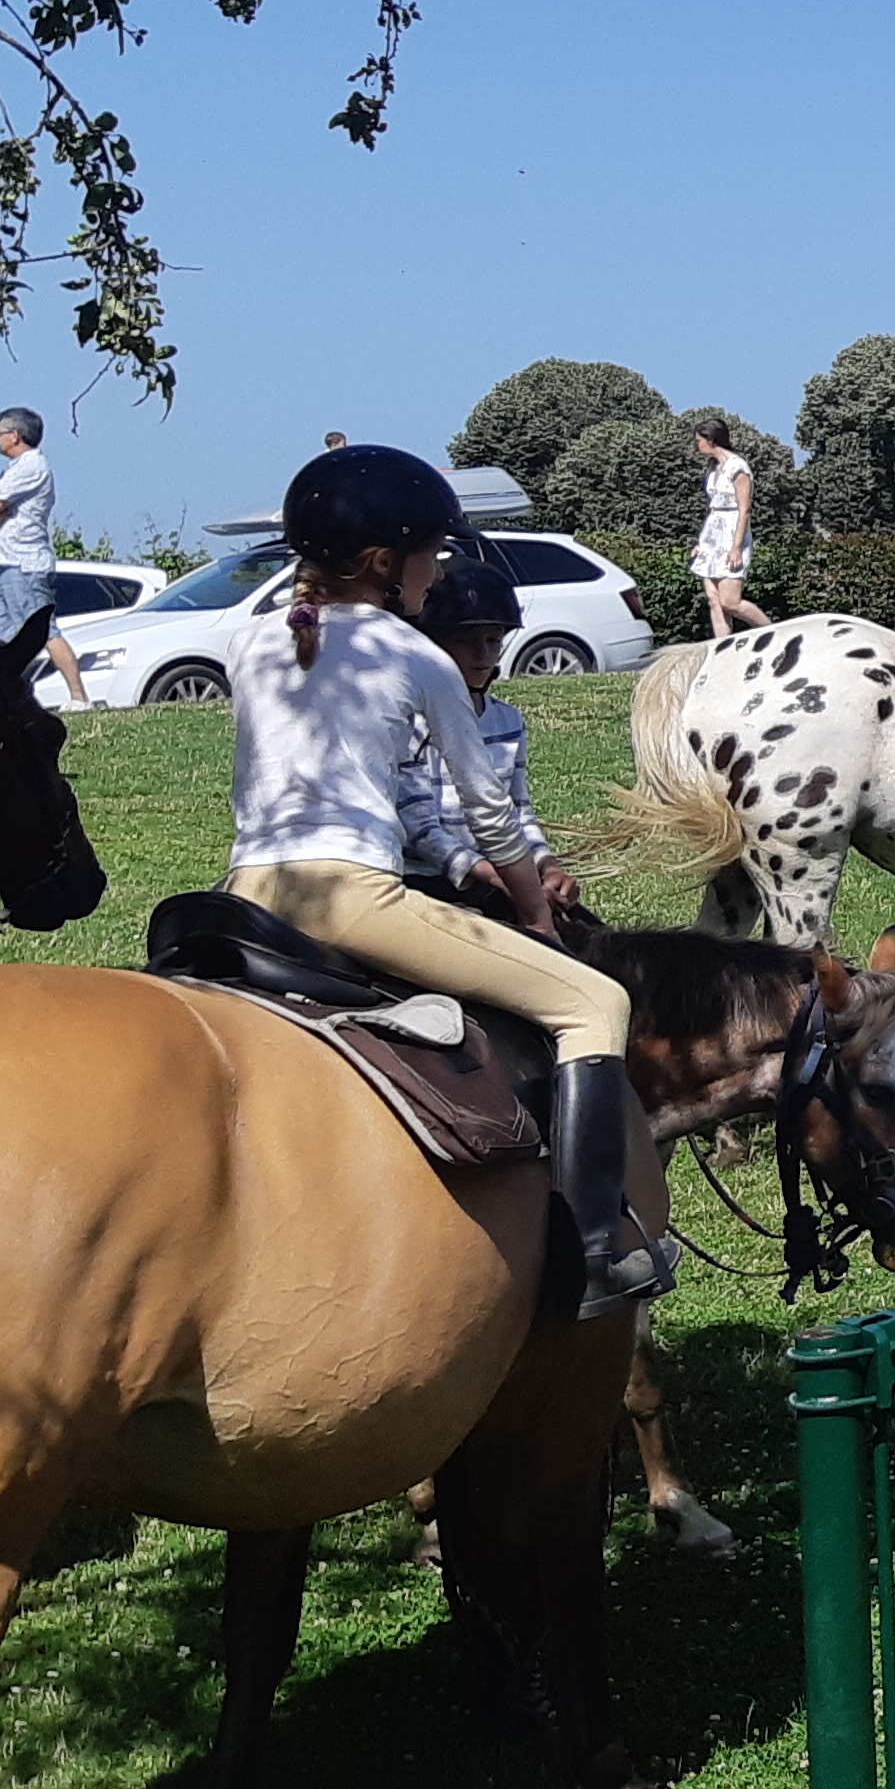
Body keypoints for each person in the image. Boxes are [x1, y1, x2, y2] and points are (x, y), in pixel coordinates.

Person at [225, 444, 668, 1307]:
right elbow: (492, 814)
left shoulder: (249, 641)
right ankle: (584, 1258)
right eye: (432, 554)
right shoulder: (415, 653)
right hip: (350, 898)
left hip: (240, 895)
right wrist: (538, 921)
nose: (439, 573)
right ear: (385, 565)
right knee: (594, 1004)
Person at [395, 554, 574, 920]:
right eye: (465, 640)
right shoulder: (410, 723)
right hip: (430, 878)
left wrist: (545, 864)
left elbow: (517, 809)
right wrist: (492, 874)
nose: (483, 654)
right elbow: (418, 825)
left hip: (497, 871)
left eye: (493, 640)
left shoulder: (507, 721)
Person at [0, 405, 95, 709]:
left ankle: (79, 698)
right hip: (4, 564)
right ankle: (1, 700)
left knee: (43, 630)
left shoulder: (30, 467)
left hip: (23, 564)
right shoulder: (15, 469)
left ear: (14, 435)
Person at [685, 414, 771, 637]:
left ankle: (773, 632)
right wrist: (701, 543)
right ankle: (722, 650)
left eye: (699, 441)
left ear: (711, 440)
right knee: (714, 600)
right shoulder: (714, 470)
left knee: (729, 601)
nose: (698, 446)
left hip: (732, 534)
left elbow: (744, 509)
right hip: (713, 535)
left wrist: (736, 547)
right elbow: (713, 509)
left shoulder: (738, 468)